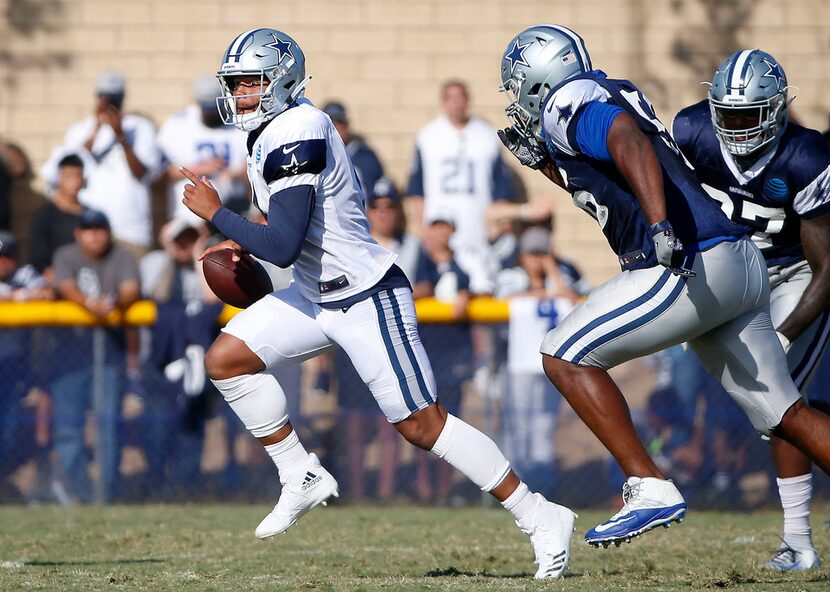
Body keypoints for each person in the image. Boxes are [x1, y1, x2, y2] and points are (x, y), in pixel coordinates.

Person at [180, 28, 576, 580]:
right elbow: (286, 229)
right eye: (237, 83)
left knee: (422, 426)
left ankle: (540, 515)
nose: (241, 94)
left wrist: (217, 216)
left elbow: (284, 244)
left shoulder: (299, 130)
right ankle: (301, 474)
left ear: (283, 80)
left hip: (365, 296)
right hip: (317, 293)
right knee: (226, 359)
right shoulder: (270, 132)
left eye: (252, 82)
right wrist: (238, 237)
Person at [496, 24, 830, 549]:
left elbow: (625, 140)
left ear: (540, 79)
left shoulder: (567, 101)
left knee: (563, 354)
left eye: (519, 86)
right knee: (787, 415)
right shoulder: (606, 90)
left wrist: (659, 226)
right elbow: (606, 183)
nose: (518, 100)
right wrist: (547, 166)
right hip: (739, 263)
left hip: (687, 261)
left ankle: (648, 484)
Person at [672, 50, 830, 570]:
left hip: (791, 273)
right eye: (728, 114)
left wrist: (784, 334)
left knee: (781, 402)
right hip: (730, 273)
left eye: (749, 115)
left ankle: (798, 541)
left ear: (778, 109)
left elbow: (827, 266)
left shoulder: (806, 157)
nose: (737, 128)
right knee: (784, 410)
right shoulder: (692, 131)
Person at [51, 208, 140, 503]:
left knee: (108, 427)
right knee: (68, 429)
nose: (94, 235)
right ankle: (81, 494)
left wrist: (114, 303)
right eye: (88, 230)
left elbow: (131, 289)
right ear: (78, 233)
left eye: (100, 229)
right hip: (68, 357)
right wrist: (91, 303)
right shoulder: (66, 254)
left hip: (108, 357)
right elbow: (65, 286)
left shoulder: (122, 256)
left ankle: (105, 496)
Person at [406, 79, 516, 294]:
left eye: (461, 97)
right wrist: (424, 230)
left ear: (468, 100)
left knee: (481, 287)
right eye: (451, 97)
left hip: (477, 230)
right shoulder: (428, 136)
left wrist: (498, 226)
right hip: (440, 232)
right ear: (443, 102)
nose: (456, 103)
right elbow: (417, 190)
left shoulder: (486, 135)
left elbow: (501, 188)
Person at [41, 70, 162, 259]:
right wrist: (96, 128)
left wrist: (121, 136)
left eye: (115, 98)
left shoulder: (141, 127)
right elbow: (71, 167)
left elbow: (142, 174)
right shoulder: (79, 130)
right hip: (90, 229)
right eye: (105, 98)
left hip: (131, 230)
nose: (110, 103)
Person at [410, 210, 474, 503]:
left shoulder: (462, 266)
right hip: (424, 349)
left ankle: (445, 489)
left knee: (451, 422)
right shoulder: (419, 261)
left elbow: (468, 292)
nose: (441, 233)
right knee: (424, 421)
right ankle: (423, 486)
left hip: (452, 353)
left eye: (446, 227)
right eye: (436, 227)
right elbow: (415, 290)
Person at [157, 75, 249, 222]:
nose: (211, 113)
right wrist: (200, 169)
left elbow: (255, 166)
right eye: (207, 108)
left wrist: (233, 173)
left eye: (214, 108)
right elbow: (160, 174)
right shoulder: (178, 124)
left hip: (235, 210)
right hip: (188, 218)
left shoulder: (242, 122)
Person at [29, 154, 86, 279]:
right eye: (69, 176)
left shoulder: (89, 215)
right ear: (58, 178)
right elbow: (39, 260)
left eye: (78, 175)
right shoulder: (45, 215)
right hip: (57, 283)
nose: (74, 181)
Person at [322, 101, 385, 201]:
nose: (335, 128)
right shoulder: (317, 155)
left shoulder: (366, 156)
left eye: (339, 123)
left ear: (347, 124)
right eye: (330, 124)